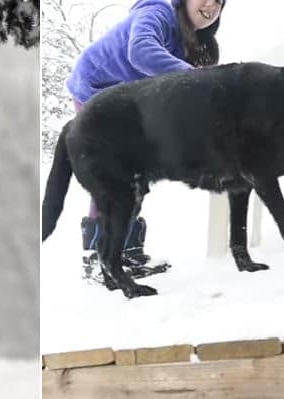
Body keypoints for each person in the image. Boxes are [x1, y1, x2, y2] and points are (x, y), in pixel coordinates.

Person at [66, 0, 225, 282]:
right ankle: (96, 256)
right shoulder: (157, 13)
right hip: (96, 92)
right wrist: (197, 79)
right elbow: (140, 51)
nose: (212, 5)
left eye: (220, 2)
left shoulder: (184, 39)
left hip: (126, 104)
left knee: (137, 173)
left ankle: (125, 249)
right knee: (114, 176)